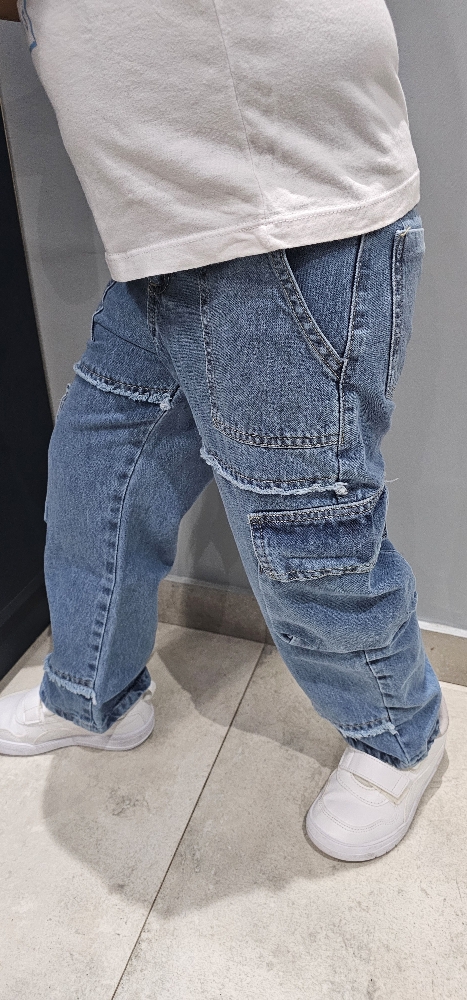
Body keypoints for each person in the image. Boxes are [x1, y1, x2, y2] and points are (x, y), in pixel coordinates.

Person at [0, 0, 448, 863]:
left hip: (279, 212)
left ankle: (400, 735)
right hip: (164, 227)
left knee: (305, 530)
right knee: (100, 478)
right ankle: (92, 695)